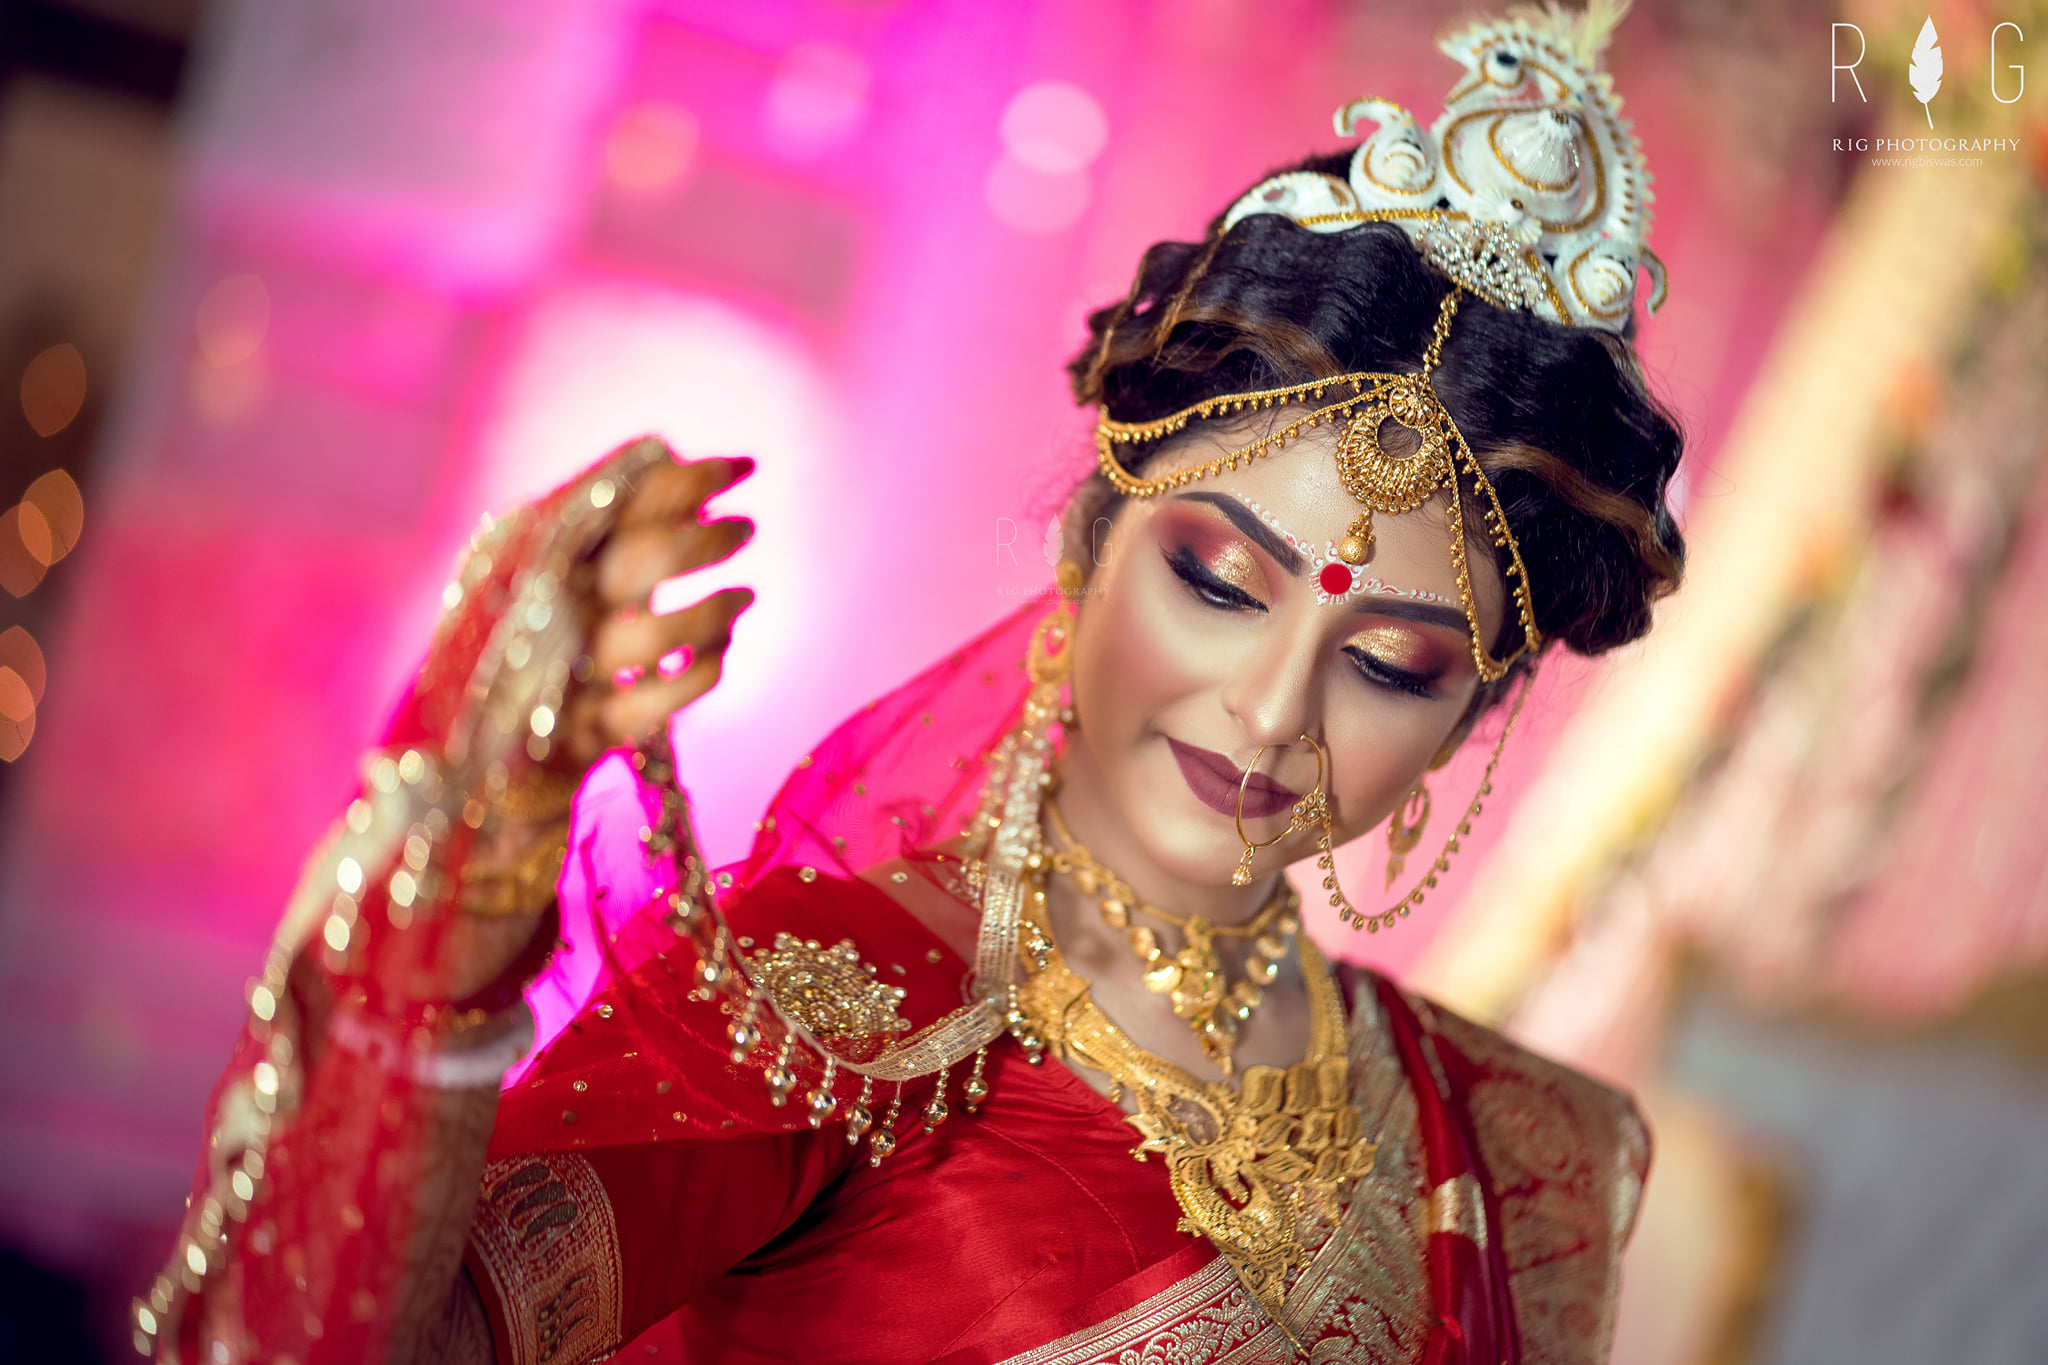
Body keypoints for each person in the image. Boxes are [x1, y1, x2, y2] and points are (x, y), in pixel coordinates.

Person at [136, 7, 1686, 1363]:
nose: (1272, 709)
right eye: (1216, 581)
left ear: (1475, 721)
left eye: (1392, 664)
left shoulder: (1494, 1139)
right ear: (1091, 545)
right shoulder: (846, 1005)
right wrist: (453, 907)